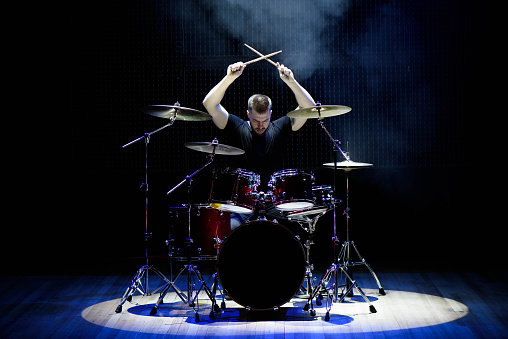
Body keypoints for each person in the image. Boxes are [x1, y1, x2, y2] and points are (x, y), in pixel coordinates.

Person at [202, 61, 316, 188]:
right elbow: (209, 104)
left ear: (270, 114)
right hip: (242, 199)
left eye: (265, 120)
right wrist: (229, 78)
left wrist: (291, 82)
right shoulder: (238, 127)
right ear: (248, 114)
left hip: (274, 199)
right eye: (256, 121)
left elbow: (309, 108)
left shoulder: (280, 127)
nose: (260, 126)